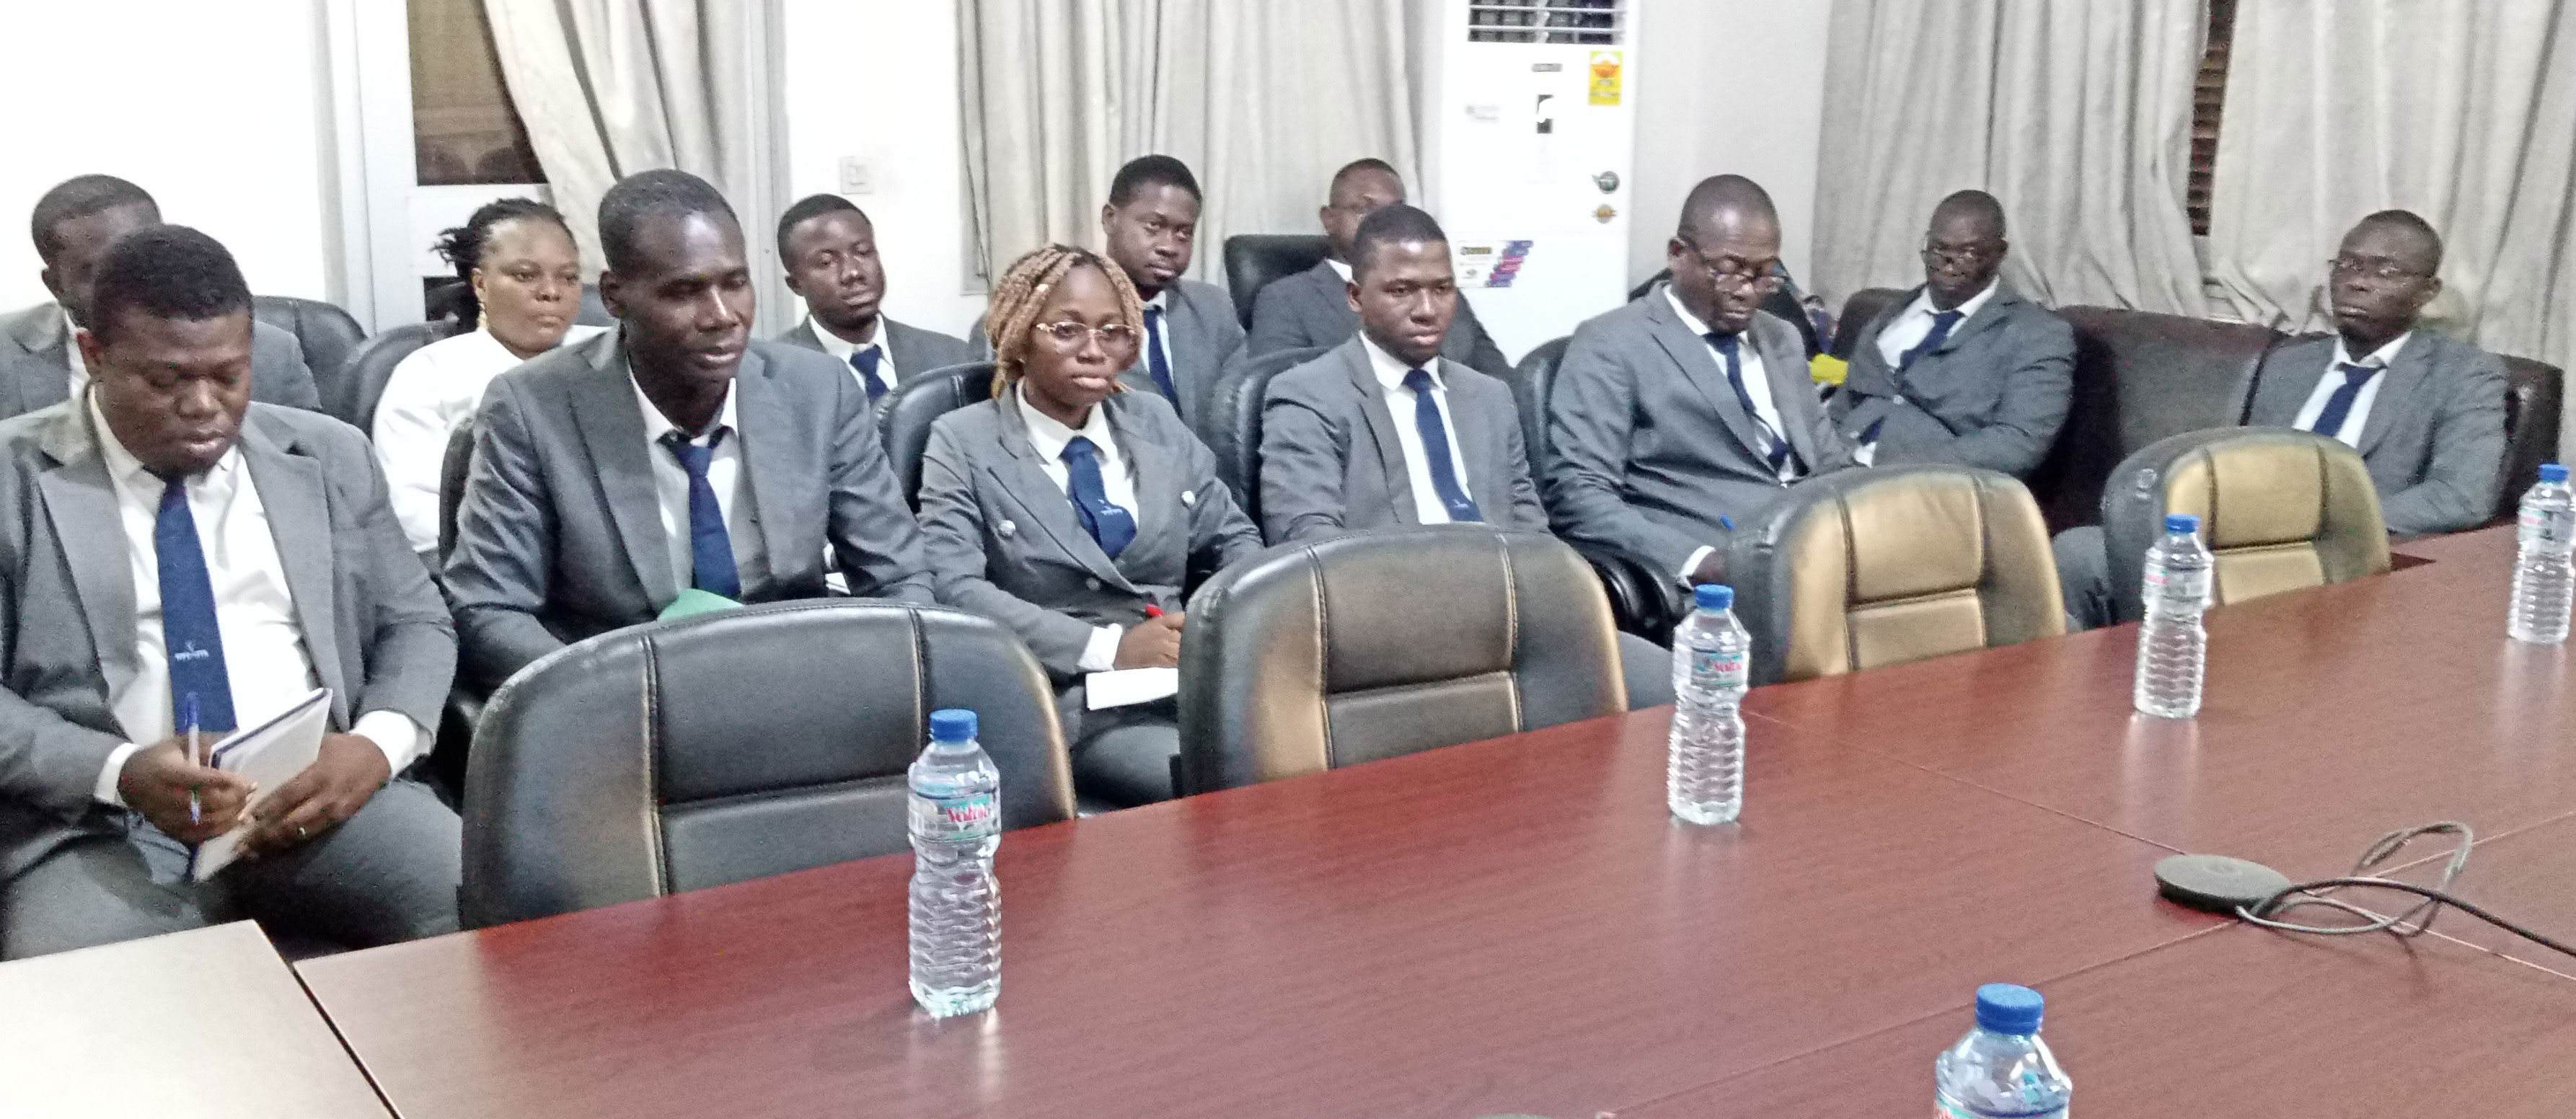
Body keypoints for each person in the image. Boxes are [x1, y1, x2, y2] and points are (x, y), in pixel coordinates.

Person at [0, 226, 460, 958]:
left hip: (318, 794)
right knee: (77, 1001)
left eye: (229, 376)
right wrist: (119, 772)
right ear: (93, 355)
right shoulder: (13, 477)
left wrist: (376, 745)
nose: (203, 405)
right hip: (101, 824)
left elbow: (416, 620)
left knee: (489, 908)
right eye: (166, 380)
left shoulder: (328, 453)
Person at [444, 169, 935, 691]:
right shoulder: (533, 407)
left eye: (735, 283)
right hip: (623, 690)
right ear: (615, 296)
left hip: (795, 681)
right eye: (684, 291)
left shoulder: (817, 390)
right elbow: (489, 607)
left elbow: (898, 575)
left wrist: (878, 678)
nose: (722, 316)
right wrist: (611, 698)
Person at [917, 245, 1261, 807]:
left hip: (1192, 678)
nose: (1095, 350)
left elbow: (1234, 540)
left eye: (1113, 332)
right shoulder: (962, 440)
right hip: (1074, 699)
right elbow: (956, 589)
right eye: (1067, 330)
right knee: (1222, 780)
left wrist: (1220, 627)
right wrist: (1110, 649)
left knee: (1317, 753)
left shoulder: (1153, 419)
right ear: (1020, 335)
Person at [2052, 209, 2508, 628]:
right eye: (2347, 265)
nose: (2357, 282)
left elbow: (2461, 495)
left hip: (2338, 554)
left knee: (2169, 585)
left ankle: (2167, 658)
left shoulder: (2463, 374)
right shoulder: (2291, 365)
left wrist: (2328, 521)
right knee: (2079, 550)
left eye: (2385, 271)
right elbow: (2241, 460)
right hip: (2236, 537)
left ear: (2428, 291)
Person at [1545, 174, 1853, 592]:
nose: (1746, 291)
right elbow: (1579, 495)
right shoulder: (1612, 343)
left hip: (1818, 548)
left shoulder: (1781, 337)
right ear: (1678, 254)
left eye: (1764, 274)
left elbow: (1830, 463)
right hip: (1720, 569)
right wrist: (1697, 561)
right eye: (1728, 270)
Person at [1258, 203, 1540, 543]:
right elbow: (1308, 539)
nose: (1427, 310)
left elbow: (1532, 532)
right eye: (1401, 291)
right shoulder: (1308, 396)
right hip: (1378, 574)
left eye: (1442, 289)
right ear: (1355, 296)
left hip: (1498, 571)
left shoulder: (1491, 397)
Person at [371, 198, 606, 556]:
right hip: (485, 564)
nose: (551, 292)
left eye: (569, 277)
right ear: (480, 284)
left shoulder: (613, 355)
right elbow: (416, 515)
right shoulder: (429, 375)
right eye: (526, 275)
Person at [1, 174, 320, 417]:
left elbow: (308, 466)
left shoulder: (271, 353)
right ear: (56, 285)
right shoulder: (6, 356)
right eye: (100, 271)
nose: (131, 283)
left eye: (147, 259)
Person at [1827, 190, 2073, 477]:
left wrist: (1896, 471)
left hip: (1934, 486)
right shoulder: (1891, 314)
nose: (1949, 263)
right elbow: (1842, 405)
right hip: (1837, 471)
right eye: (1938, 249)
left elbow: (2019, 443)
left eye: (1969, 253)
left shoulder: (2038, 334)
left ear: (2000, 252)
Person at [1245, 159, 1511, 377]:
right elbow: (1279, 388)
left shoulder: (1440, 293)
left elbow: (1502, 382)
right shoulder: (1287, 299)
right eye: (1366, 211)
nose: (1384, 222)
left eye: (1395, 211)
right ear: (1329, 219)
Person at [772, 194, 975, 410]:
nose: (853, 272)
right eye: (826, 262)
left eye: (863, 252)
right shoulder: (772, 375)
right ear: (795, 285)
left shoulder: (953, 357)